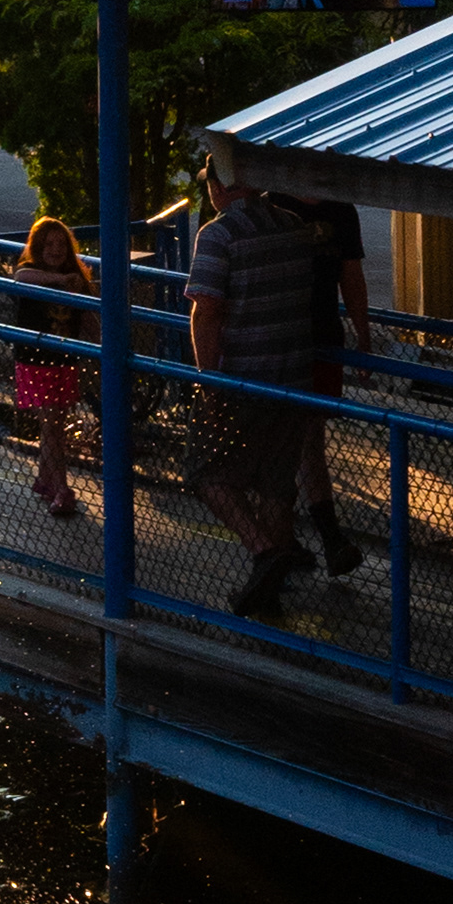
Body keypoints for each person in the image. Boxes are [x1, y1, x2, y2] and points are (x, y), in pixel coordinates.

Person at [184, 156, 333, 621]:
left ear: (220, 186)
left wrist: (210, 384)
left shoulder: (218, 235)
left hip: (242, 376)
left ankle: (263, 552)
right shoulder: (292, 226)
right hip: (292, 376)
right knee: (275, 481)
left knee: (204, 470)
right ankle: (269, 585)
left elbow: (205, 311)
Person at [285, 191, 375, 582]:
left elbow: (350, 275)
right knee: (290, 438)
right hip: (282, 335)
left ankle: (315, 538)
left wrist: (362, 333)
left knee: (308, 438)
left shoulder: (341, 211)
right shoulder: (274, 205)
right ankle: (310, 537)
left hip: (321, 337)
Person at [12, 212, 95, 523]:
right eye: (48, 244)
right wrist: (61, 281)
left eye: (61, 244)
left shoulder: (78, 280)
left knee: (55, 422)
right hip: (35, 361)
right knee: (51, 423)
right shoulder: (32, 271)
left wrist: (103, 342)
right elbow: (21, 278)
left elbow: (88, 319)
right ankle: (62, 488)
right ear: (37, 247)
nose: (56, 250)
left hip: (64, 361)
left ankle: (45, 478)